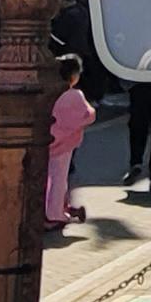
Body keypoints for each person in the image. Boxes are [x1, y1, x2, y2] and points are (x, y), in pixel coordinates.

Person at [41, 52, 94, 237]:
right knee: (59, 178)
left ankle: (49, 209)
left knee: (46, 178)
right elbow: (88, 115)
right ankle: (55, 213)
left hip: (46, 141)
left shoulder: (49, 93)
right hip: (64, 144)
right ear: (74, 76)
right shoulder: (74, 95)